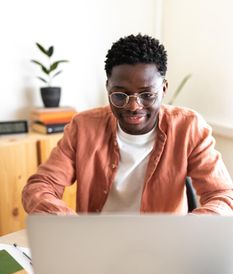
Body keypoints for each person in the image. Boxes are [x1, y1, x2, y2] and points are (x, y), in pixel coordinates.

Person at [22, 34, 233, 215]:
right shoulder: (83, 127)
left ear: (164, 89)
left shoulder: (189, 128)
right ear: (108, 88)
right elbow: (40, 187)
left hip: (163, 245)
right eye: (120, 95)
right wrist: (68, 225)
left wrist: (186, 230)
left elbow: (223, 196)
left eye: (147, 94)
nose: (133, 106)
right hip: (98, 243)